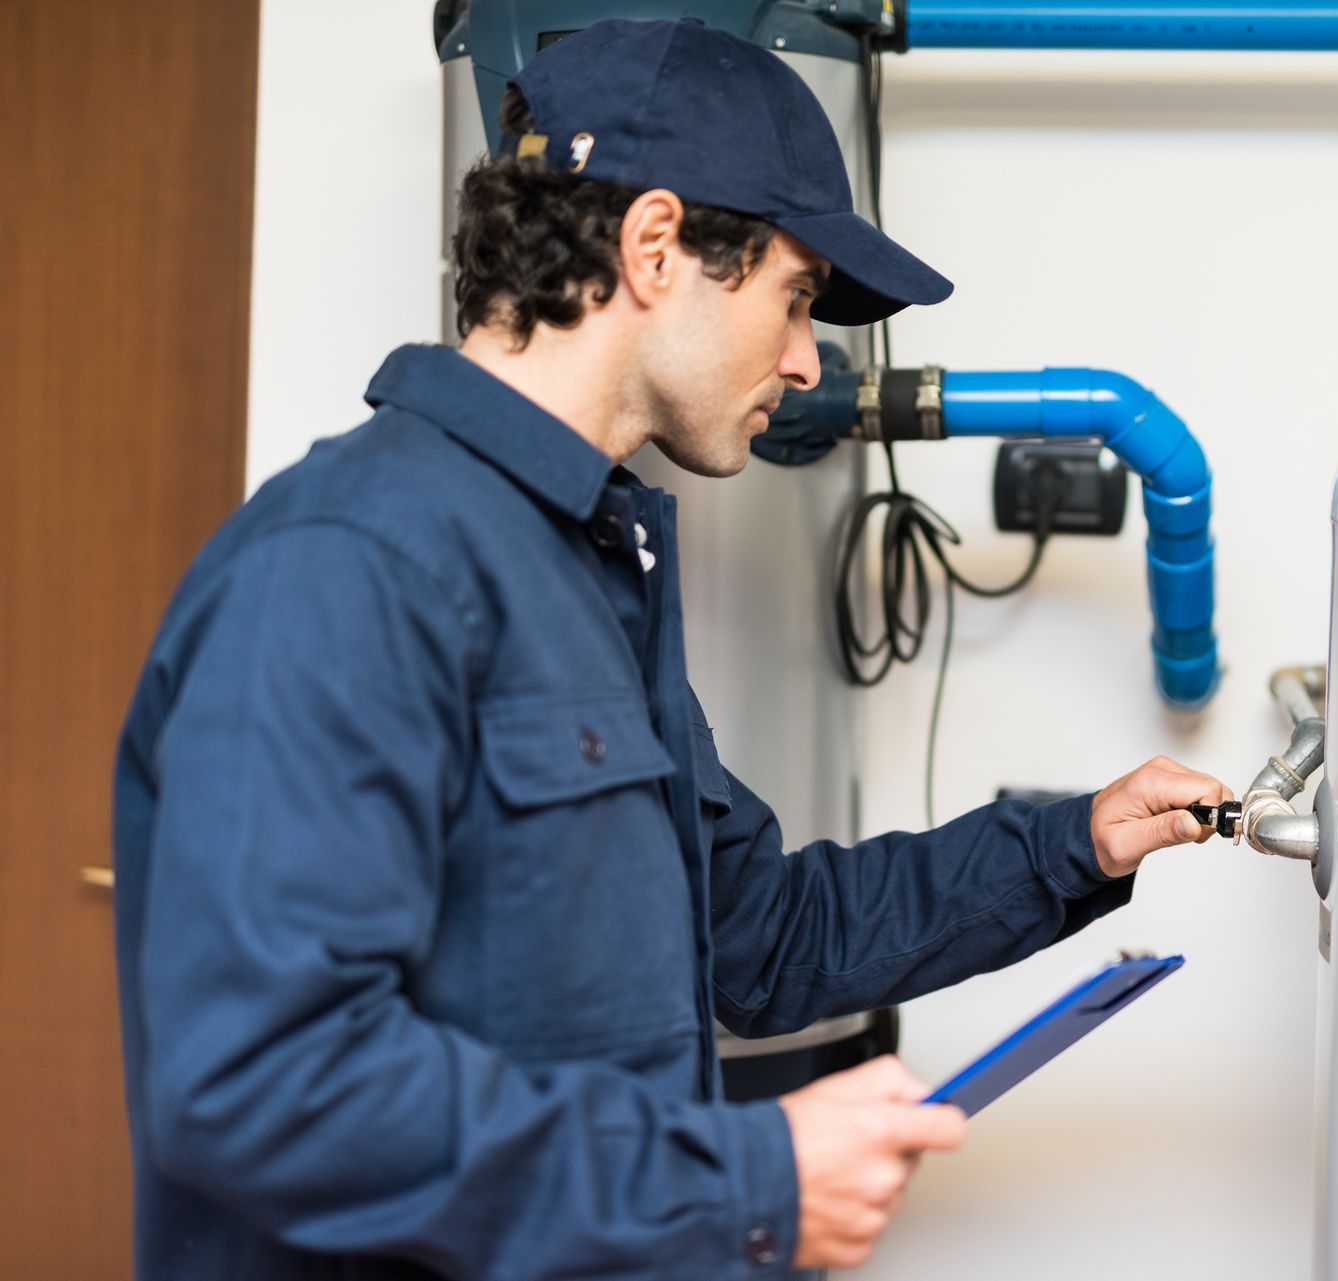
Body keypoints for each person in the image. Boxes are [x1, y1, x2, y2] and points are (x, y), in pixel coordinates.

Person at [112, 18, 1231, 1280]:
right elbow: (264, 1084)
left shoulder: (590, 565)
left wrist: (1072, 843)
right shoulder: (350, 565)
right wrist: (746, 1178)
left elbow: (761, 937)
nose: (808, 362)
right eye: (796, 298)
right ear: (655, 247)